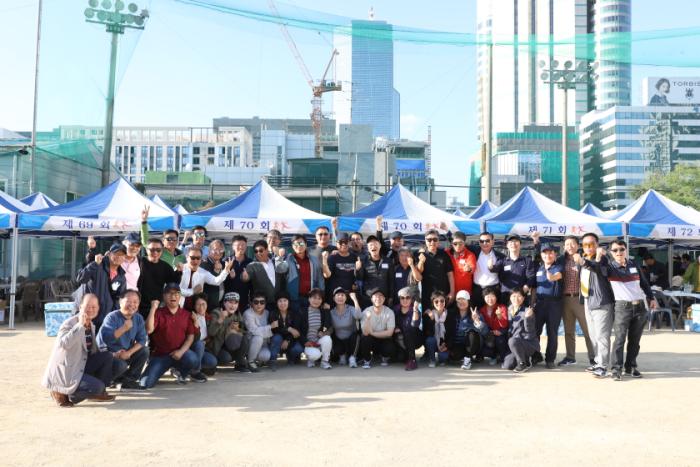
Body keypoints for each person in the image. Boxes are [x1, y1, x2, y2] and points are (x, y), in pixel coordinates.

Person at [42, 294, 116, 407]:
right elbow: (64, 343)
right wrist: (80, 325)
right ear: (80, 307)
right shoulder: (70, 323)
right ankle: (66, 393)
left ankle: (99, 393)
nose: (90, 309)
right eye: (87, 306)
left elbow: (92, 351)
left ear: (98, 308)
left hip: (80, 364)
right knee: (98, 386)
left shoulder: (90, 324)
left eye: (94, 307)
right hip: (68, 371)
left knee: (107, 357)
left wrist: (113, 354)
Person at [607, 240, 658, 381]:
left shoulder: (634, 264)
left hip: (640, 306)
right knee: (619, 339)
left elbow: (644, 283)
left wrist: (651, 298)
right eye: (615, 250)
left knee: (635, 340)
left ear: (626, 250)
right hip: (622, 307)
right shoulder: (609, 267)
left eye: (621, 249)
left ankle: (630, 367)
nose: (619, 252)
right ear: (611, 253)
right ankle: (616, 369)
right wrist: (598, 256)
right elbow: (595, 267)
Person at [572, 233, 616, 378]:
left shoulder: (603, 258)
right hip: (587, 300)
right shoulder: (585, 259)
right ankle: (598, 362)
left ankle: (603, 366)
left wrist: (584, 261)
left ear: (597, 244)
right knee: (593, 335)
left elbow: (596, 268)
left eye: (591, 244)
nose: (588, 247)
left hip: (602, 301)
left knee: (602, 335)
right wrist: (582, 262)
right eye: (585, 244)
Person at [140, 283, 199, 388]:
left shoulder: (186, 314)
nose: (173, 296)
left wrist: (181, 352)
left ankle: (180, 373)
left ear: (180, 296)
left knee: (193, 359)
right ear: (164, 296)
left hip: (180, 354)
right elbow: (149, 330)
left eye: (176, 293)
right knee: (145, 383)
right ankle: (159, 369)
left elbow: (190, 337)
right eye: (170, 293)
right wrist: (153, 309)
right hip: (161, 356)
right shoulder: (158, 313)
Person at [555, 235, 595, 367]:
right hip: (565, 299)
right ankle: (570, 357)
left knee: (587, 330)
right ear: (564, 247)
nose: (570, 246)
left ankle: (594, 357)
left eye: (572, 243)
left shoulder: (584, 258)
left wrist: (582, 261)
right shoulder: (560, 260)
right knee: (568, 331)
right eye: (567, 244)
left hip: (581, 299)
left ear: (578, 246)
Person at [96, 289, 149, 389]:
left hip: (125, 353)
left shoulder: (138, 318)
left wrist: (129, 353)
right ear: (120, 302)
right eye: (128, 301)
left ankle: (129, 380)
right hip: (109, 354)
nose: (132, 304)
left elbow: (142, 340)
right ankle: (110, 380)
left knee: (144, 351)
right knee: (121, 365)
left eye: (135, 302)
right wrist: (123, 328)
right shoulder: (111, 317)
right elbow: (106, 339)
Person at [76, 243, 127, 329]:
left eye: (122, 255)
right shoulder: (98, 265)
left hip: (104, 319)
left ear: (125, 257)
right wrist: (95, 264)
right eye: (116, 254)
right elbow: (81, 279)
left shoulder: (121, 276)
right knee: (82, 336)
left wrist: (113, 317)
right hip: (87, 314)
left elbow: (119, 299)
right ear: (109, 254)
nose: (119, 257)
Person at [533, 243, 564, 369]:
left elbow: (558, 275)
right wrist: (532, 304)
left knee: (552, 333)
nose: (548, 255)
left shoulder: (558, 266)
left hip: (554, 304)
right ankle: (535, 355)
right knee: (535, 331)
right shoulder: (539, 268)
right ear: (541, 255)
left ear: (555, 254)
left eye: (550, 253)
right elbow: (535, 288)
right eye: (545, 253)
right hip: (539, 304)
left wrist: (552, 277)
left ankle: (550, 359)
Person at [136, 237, 181, 319]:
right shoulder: (139, 262)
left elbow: (173, 283)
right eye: (152, 250)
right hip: (137, 304)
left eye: (158, 250)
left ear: (162, 250)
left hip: (156, 305)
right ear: (146, 250)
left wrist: (179, 272)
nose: (155, 252)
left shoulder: (165, 267)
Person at [206, 292, 249, 371]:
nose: (233, 305)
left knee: (245, 338)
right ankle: (213, 363)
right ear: (224, 302)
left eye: (235, 303)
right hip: (216, 348)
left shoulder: (237, 314)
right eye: (230, 302)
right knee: (226, 358)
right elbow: (211, 333)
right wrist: (220, 320)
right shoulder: (216, 313)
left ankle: (240, 364)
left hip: (229, 346)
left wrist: (237, 329)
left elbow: (244, 331)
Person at [446, 290, 489, 370]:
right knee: (454, 356)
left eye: (464, 299)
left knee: (471, 333)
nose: (461, 302)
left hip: (473, 343)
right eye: (459, 299)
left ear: (468, 301)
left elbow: (486, 332)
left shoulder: (475, 314)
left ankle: (468, 359)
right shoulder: (452, 314)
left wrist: (477, 321)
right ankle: (466, 356)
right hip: (458, 343)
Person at [179, 246, 233, 311]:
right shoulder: (180, 269)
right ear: (187, 257)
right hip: (179, 308)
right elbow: (176, 290)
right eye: (193, 258)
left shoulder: (203, 272)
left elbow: (216, 281)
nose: (195, 261)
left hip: (196, 309)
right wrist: (192, 291)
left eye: (198, 258)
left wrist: (226, 271)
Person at [489, 234, 536, 305]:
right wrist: (490, 266)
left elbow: (531, 277)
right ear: (507, 245)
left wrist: (527, 286)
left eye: (516, 241)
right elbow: (494, 269)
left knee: (521, 312)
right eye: (511, 242)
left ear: (520, 244)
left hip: (520, 296)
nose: (513, 244)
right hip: (505, 295)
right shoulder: (503, 261)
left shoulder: (527, 261)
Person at [415, 229, 455, 312]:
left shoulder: (444, 254)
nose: (432, 242)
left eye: (435, 239)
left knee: (443, 317)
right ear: (425, 241)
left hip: (443, 294)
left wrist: (452, 292)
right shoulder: (419, 254)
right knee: (429, 318)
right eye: (429, 240)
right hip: (427, 295)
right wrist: (421, 261)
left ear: (438, 241)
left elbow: (450, 274)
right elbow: (418, 274)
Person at [285, 234, 324, 313]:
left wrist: (322, 294)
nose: (299, 246)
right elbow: (280, 272)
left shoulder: (314, 259)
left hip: (311, 298)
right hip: (294, 298)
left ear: (306, 245)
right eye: (296, 244)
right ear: (292, 246)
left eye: (301, 243)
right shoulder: (288, 259)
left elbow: (320, 278)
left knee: (310, 319)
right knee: (296, 319)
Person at [503, 288, 538, 373]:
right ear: (510, 298)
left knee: (512, 341)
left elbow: (530, 331)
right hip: (514, 345)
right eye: (514, 296)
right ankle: (525, 359)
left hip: (528, 343)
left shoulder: (527, 311)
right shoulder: (508, 310)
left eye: (519, 296)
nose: (516, 299)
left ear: (523, 298)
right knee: (507, 365)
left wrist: (527, 318)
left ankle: (522, 364)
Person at [244, 239, 289, 306]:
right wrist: (244, 277)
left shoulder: (275, 261)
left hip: (279, 302)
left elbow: (284, 270)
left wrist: (279, 256)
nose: (258, 253)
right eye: (256, 251)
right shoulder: (252, 265)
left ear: (267, 250)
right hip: (261, 304)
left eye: (261, 250)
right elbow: (245, 278)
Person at [359, 289, 396, 369]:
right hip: (371, 340)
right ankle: (367, 359)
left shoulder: (389, 312)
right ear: (371, 299)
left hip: (383, 339)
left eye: (381, 296)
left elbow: (390, 333)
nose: (378, 298)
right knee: (365, 339)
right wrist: (368, 319)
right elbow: (365, 333)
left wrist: (372, 333)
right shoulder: (366, 311)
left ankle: (384, 357)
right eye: (375, 296)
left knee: (390, 346)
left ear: (384, 299)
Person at [242, 291, 277, 372]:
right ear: (251, 303)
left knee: (265, 356)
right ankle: (250, 361)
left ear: (265, 303)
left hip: (264, 343)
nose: (259, 304)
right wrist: (270, 327)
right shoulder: (248, 313)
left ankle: (259, 360)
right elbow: (253, 330)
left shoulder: (267, 313)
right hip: (250, 342)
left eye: (262, 302)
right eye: (256, 302)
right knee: (258, 337)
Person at [298, 288, 333, 369]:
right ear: (309, 299)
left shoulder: (322, 311)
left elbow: (328, 325)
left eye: (319, 298)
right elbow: (298, 329)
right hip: (308, 343)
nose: (316, 301)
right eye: (314, 298)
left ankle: (324, 361)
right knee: (315, 355)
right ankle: (311, 359)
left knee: (327, 338)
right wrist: (305, 341)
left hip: (318, 342)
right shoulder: (302, 311)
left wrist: (327, 311)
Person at [356, 235, 394, 309]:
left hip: (384, 298)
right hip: (368, 298)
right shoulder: (363, 261)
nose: (373, 246)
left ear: (380, 246)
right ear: (367, 248)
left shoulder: (388, 261)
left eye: (375, 244)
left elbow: (391, 280)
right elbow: (359, 278)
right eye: (371, 245)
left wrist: (391, 296)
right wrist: (358, 269)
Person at [329, 287, 363, 367]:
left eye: (342, 295)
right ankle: (342, 355)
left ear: (346, 298)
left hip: (351, 340)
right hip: (339, 340)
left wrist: (355, 300)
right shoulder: (331, 312)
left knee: (356, 336)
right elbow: (330, 328)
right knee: (332, 339)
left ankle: (352, 358)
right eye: (338, 295)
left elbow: (359, 316)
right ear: (334, 298)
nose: (340, 297)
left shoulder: (350, 308)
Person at [269, 291, 304, 367]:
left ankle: (291, 357)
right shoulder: (273, 313)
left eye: (285, 300)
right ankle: (273, 359)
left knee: (298, 348)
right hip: (278, 340)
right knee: (277, 337)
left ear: (288, 302)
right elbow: (275, 330)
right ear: (276, 303)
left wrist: (288, 340)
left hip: (291, 340)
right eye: (280, 301)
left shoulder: (295, 313)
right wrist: (289, 329)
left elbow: (297, 331)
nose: (282, 303)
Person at [321, 233, 358, 302]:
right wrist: (324, 260)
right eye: (340, 242)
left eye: (346, 242)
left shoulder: (354, 257)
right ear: (336, 243)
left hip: (349, 294)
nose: (343, 245)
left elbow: (357, 275)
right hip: (335, 295)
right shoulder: (332, 257)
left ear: (349, 243)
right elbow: (327, 275)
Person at [189, 294, 218, 381]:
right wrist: (195, 322)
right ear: (194, 306)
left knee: (212, 362)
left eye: (203, 304)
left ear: (207, 305)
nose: (201, 307)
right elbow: (193, 338)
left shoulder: (209, 317)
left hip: (203, 349)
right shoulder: (190, 317)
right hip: (191, 347)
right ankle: (195, 372)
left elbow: (211, 335)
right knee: (199, 343)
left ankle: (188, 367)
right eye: (198, 304)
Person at [471, 231, 503, 308]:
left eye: (487, 241)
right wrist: (446, 231)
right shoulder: (474, 252)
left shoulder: (500, 256)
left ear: (492, 242)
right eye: (482, 241)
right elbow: (459, 242)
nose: (484, 243)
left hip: (493, 289)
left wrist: (492, 268)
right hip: (478, 289)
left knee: (494, 312)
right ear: (479, 242)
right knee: (477, 311)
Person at [392, 287, 422, 371]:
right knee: (400, 358)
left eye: (408, 297)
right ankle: (405, 354)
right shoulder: (395, 310)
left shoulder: (415, 310)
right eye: (402, 298)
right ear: (399, 299)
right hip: (401, 338)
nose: (405, 300)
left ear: (411, 299)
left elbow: (414, 325)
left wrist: (415, 309)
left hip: (414, 337)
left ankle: (412, 360)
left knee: (409, 332)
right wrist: (395, 328)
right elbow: (391, 324)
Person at [479, 286, 509, 364]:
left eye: (492, 296)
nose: (490, 299)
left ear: (496, 297)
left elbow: (505, 325)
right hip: (488, 335)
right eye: (487, 297)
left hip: (500, 333)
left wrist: (499, 316)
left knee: (500, 340)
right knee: (485, 349)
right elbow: (482, 327)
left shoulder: (502, 307)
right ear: (484, 298)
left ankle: (503, 358)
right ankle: (493, 356)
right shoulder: (482, 310)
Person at [422, 290, 450, 368]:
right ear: (433, 303)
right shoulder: (429, 314)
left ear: (445, 301)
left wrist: (446, 344)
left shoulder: (449, 314)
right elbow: (428, 333)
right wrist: (432, 319)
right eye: (436, 301)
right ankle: (432, 359)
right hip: (434, 342)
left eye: (442, 301)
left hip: (444, 344)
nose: (439, 303)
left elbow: (451, 333)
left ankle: (442, 359)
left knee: (443, 357)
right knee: (429, 340)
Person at [224, 235, 253, 311]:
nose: (241, 247)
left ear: (246, 246)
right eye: (238, 245)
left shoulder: (250, 262)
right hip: (229, 301)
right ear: (233, 247)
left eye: (243, 245)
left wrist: (247, 279)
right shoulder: (226, 261)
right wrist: (230, 277)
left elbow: (253, 283)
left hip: (244, 300)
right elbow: (221, 282)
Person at [444, 231, 477, 297]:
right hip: (449, 290)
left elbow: (472, 268)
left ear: (464, 243)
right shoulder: (446, 253)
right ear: (452, 243)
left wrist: (469, 269)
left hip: (464, 292)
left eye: (460, 243)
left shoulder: (470, 255)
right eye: (455, 243)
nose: (458, 246)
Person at [200, 239, 228, 311]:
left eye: (221, 250)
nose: (218, 252)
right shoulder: (203, 263)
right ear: (209, 251)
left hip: (220, 303)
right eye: (215, 249)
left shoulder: (224, 263)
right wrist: (216, 271)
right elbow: (212, 281)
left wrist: (231, 275)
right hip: (207, 304)